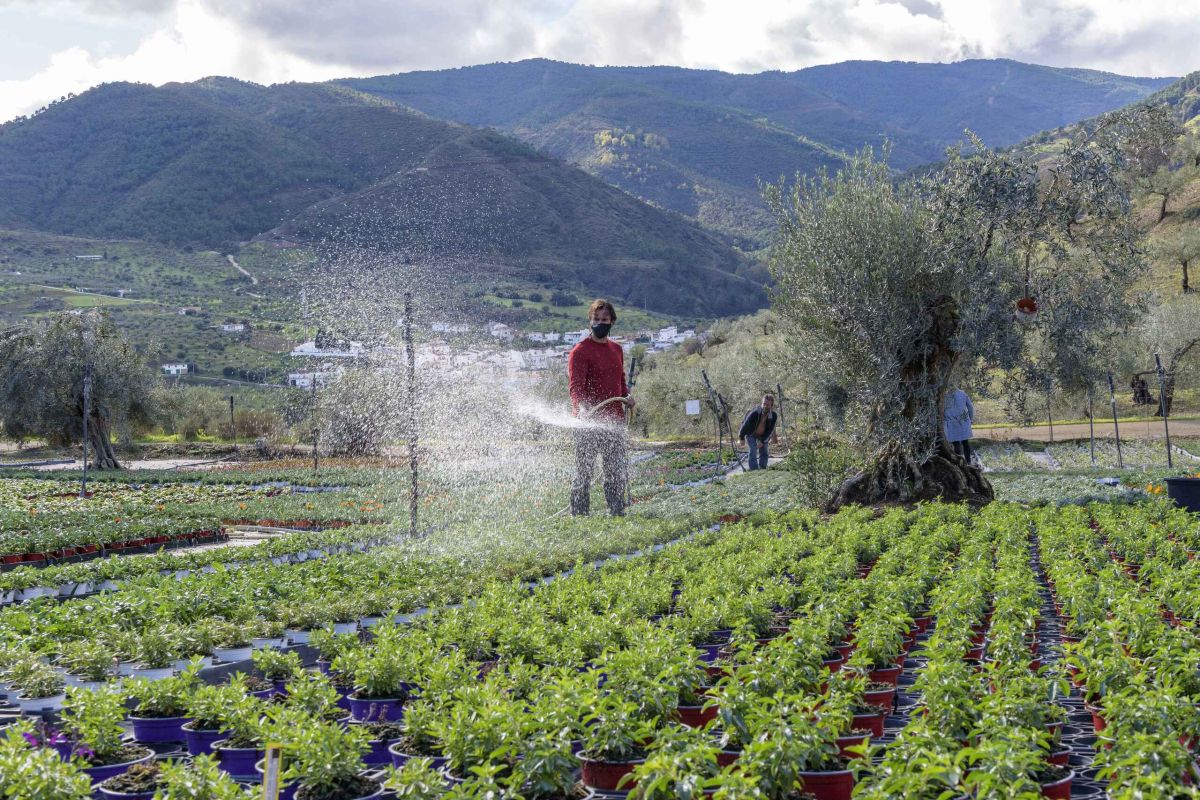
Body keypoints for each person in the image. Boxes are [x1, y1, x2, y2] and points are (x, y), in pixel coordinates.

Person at [568, 299, 634, 516]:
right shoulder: (580, 351)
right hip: (588, 422)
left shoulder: (616, 349)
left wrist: (627, 395)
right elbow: (576, 387)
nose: (599, 323)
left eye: (604, 320)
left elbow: (620, 380)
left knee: (615, 471)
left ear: (612, 321)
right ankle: (579, 516)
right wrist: (581, 409)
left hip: (614, 420)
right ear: (590, 320)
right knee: (584, 473)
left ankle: (616, 512)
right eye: (596, 319)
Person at [738, 392, 779, 471]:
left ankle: (762, 468)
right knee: (753, 450)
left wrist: (762, 441)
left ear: (771, 406)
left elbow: (770, 430)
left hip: (763, 436)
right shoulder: (755, 413)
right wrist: (741, 437)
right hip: (751, 434)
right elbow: (745, 425)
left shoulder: (773, 416)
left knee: (764, 452)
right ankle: (754, 470)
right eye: (764, 404)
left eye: (767, 405)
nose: (765, 406)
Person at [943, 387, 975, 464]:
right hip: (963, 420)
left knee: (956, 443)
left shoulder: (945, 396)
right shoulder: (962, 393)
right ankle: (968, 462)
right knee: (965, 442)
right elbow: (970, 407)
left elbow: (943, 410)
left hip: (951, 422)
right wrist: (971, 418)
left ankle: (959, 463)